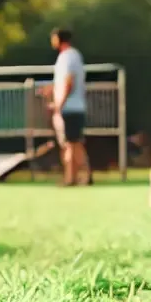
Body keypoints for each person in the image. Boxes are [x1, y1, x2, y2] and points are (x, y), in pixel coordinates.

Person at [50, 28, 91, 186]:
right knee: (75, 143)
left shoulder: (68, 57)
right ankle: (83, 175)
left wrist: (59, 104)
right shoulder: (72, 56)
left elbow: (69, 81)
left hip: (70, 107)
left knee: (71, 144)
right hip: (74, 106)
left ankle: (71, 178)